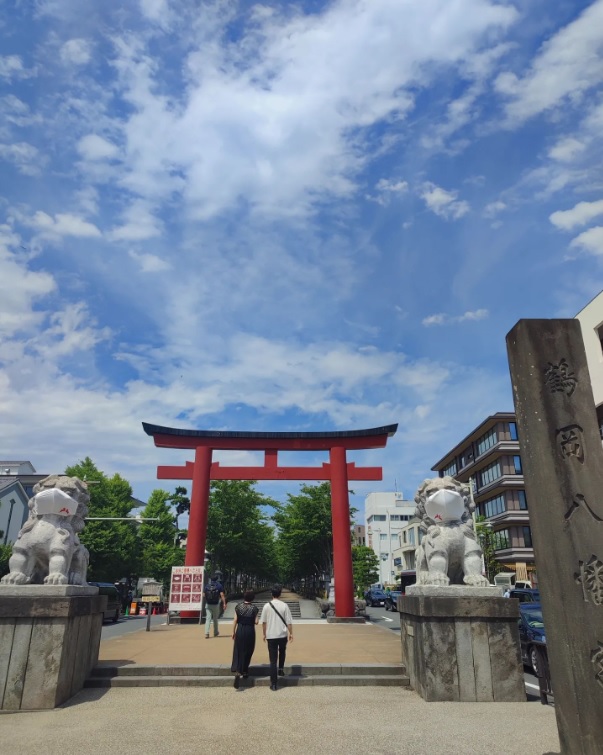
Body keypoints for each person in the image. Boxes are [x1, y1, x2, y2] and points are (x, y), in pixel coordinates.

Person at [260, 584, 293, 691]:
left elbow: (264, 623)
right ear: (280, 594)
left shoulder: (266, 606)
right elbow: (289, 622)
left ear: (271, 593)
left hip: (271, 635)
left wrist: (264, 634)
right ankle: (281, 669)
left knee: (272, 660)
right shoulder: (284, 606)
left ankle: (274, 684)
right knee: (282, 651)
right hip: (282, 634)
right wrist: (291, 633)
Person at [231, 590, 259, 688]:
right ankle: (245, 671)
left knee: (238, 649)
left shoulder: (238, 607)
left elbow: (235, 620)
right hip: (250, 630)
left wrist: (233, 631)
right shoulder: (254, 608)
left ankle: (238, 669)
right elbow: (256, 622)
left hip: (240, 629)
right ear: (252, 598)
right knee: (248, 650)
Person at [204, 572, 226, 638]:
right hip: (216, 604)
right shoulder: (219, 586)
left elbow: (203, 595)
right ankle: (215, 632)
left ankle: (206, 633)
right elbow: (222, 595)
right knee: (215, 619)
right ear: (217, 579)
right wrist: (224, 603)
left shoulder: (207, 585)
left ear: (211, 579)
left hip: (208, 604)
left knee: (208, 619)